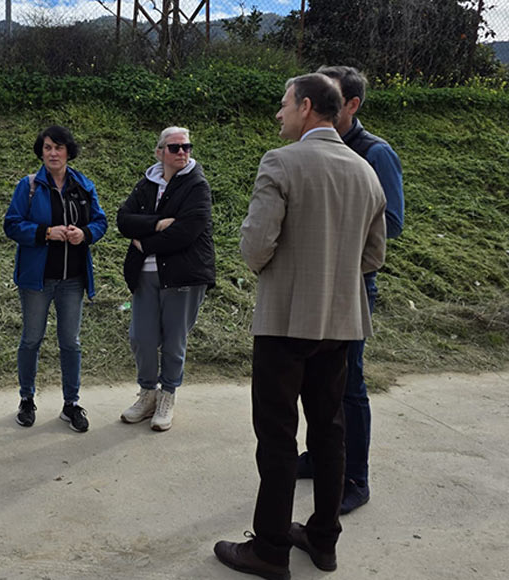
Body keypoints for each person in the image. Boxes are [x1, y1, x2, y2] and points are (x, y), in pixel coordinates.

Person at [213, 73, 386, 579]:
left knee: (277, 436)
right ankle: (323, 539)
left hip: (285, 321)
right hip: (340, 323)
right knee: (330, 433)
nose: (279, 114)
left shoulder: (280, 162)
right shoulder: (365, 171)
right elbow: (373, 255)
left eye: (284, 104)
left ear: (307, 107)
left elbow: (254, 247)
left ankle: (269, 550)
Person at [294, 65, 406, 514]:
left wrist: (332, 243)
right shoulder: (314, 147)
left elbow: (391, 222)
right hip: (312, 284)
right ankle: (321, 457)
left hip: (351, 285)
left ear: (352, 105)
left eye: (332, 96)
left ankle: (354, 478)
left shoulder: (374, 153)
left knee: (349, 383)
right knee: (314, 378)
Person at [3, 126, 108, 432]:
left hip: (73, 279)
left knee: (71, 343)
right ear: (42, 151)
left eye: (58, 148)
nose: (52, 153)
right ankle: (26, 399)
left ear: (68, 152)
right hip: (37, 279)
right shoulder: (30, 185)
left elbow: (100, 222)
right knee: (32, 339)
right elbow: (12, 224)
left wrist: (85, 234)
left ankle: (71, 404)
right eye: (47, 147)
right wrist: (45, 233)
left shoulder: (84, 185)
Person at [116, 126, 215, 432]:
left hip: (183, 275)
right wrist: (158, 223)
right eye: (174, 148)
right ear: (160, 152)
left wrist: (145, 242)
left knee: (174, 342)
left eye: (187, 146)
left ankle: (167, 395)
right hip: (144, 276)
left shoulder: (197, 184)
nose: (182, 152)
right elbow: (123, 220)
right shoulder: (147, 183)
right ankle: (147, 394)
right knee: (141, 338)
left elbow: (188, 230)